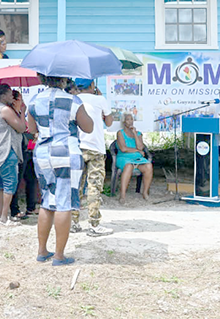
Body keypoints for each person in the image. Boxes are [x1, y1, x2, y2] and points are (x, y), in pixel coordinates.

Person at [28, 74, 93, 266]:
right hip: (65, 152)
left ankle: (42, 251)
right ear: (63, 79)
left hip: (42, 154)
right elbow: (88, 127)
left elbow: (31, 128)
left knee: (47, 201)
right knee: (64, 202)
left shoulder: (34, 100)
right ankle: (59, 255)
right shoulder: (73, 100)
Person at [70, 78, 114, 234]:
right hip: (95, 149)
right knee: (94, 186)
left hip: (76, 147)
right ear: (93, 85)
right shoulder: (100, 99)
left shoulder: (73, 100)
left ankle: (73, 223)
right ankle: (94, 224)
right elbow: (109, 122)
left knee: (76, 186)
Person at [0, 84, 26, 226]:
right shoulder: (5, 110)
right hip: (7, 151)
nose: (12, 97)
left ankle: (1, 215)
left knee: (0, 185)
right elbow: (21, 128)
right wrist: (21, 110)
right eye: (9, 94)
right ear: (3, 95)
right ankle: (4, 218)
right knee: (9, 184)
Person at [10, 89, 39, 219]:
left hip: (29, 149)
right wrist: (21, 112)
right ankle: (14, 209)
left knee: (31, 179)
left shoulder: (21, 114)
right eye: (20, 99)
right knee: (16, 179)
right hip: (19, 150)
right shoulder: (11, 114)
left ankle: (31, 207)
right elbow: (20, 128)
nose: (22, 102)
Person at [116, 112, 153, 204]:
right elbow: (123, 149)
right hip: (124, 158)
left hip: (138, 159)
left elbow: (140, 147)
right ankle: (123, 195)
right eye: (128, 119)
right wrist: (137, 151)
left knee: (148, 166)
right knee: (128, 166)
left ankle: (145, 193)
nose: (130, 121)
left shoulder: (139, 133)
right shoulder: (120, 133)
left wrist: (135, 134)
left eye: (131, 119)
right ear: (124, 122)